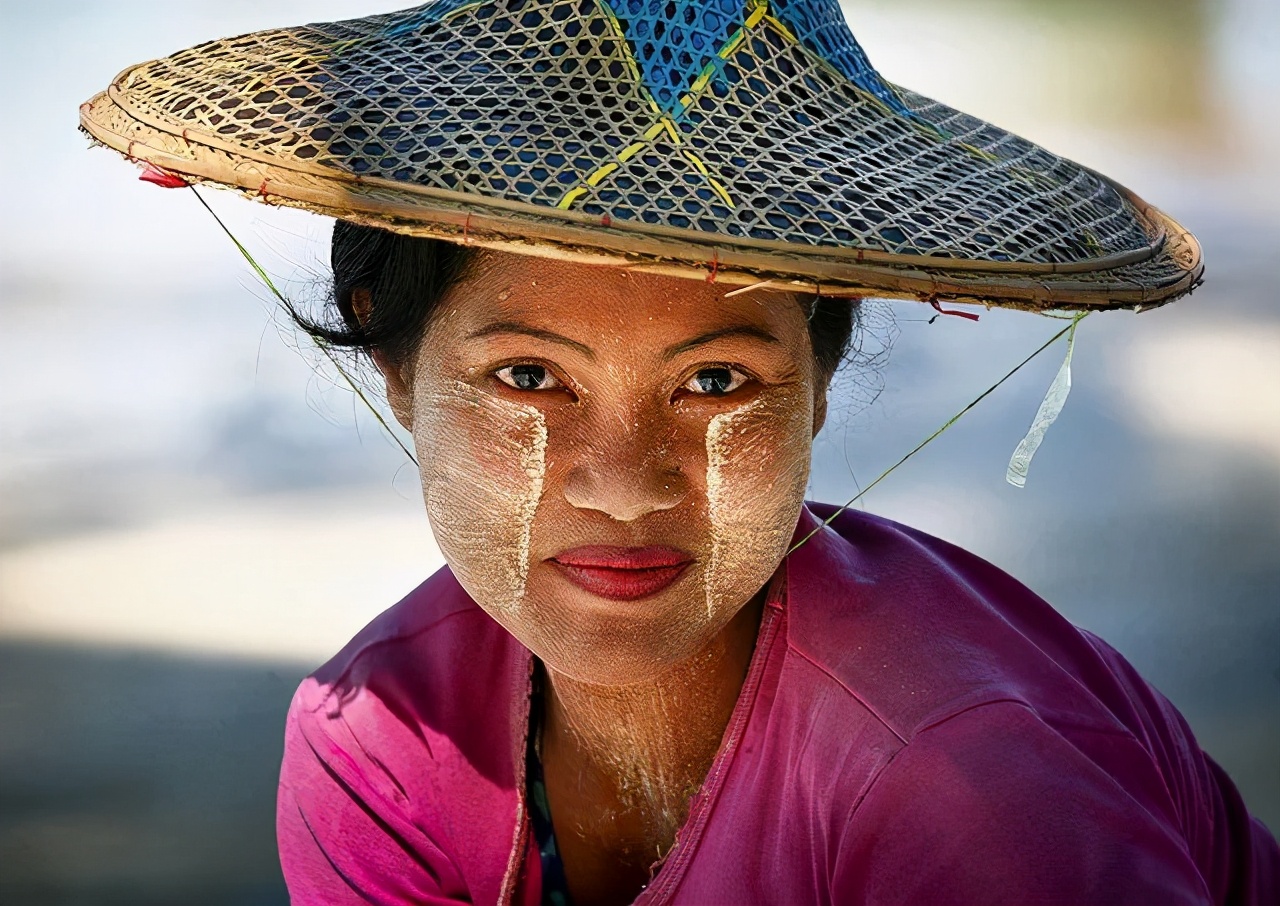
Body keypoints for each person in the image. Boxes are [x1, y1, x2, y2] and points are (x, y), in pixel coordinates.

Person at [79, 1, 1276, 903]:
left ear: (811, 393)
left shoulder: (961, 776)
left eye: (713, 383)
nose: (620, 481)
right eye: (527, 378)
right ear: (399, 376)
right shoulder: (376, 745)